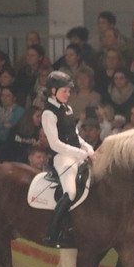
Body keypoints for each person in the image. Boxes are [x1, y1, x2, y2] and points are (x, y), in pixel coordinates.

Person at [41, 72, 96, 247]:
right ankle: (53, 233)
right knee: (71, 192)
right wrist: (80, 154)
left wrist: (88, 148)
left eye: (68, 91)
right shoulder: (48, 113)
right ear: (53, 90)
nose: (68, 94)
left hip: (75, 153)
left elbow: (75, 136)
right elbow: (55, 143)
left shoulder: (68, 109)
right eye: (64, 91)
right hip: (62, 157)